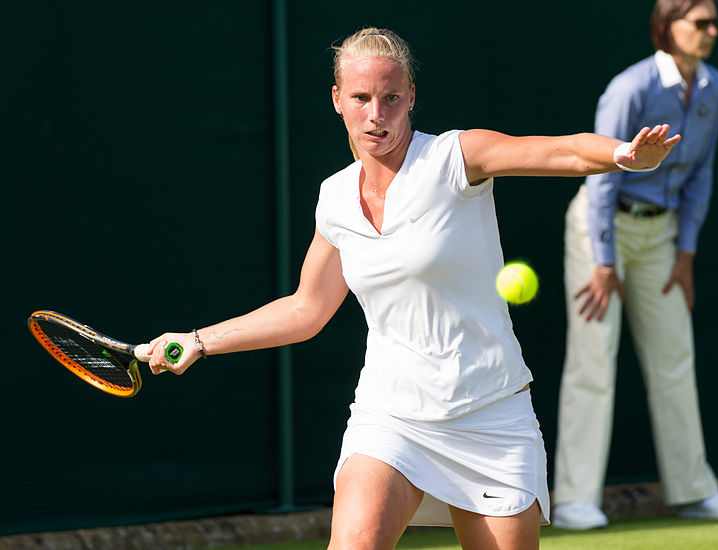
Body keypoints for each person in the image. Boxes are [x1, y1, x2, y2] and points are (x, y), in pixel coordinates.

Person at [146, 27, 679, 550]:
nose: (376, 114)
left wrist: (623, 156)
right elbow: (306, 309)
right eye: (360, 98)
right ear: (337, 100)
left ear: (411, 98)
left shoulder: (455, 158)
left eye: (390, 98)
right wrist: (199, 339)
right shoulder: (333, 199)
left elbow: (557, 151)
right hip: (391, 415)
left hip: (489, 411)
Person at [551, 0, 718, 531]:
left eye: (715, 24)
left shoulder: (714, 87)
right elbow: (601, 174)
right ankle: (573, 499)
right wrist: (604, 261)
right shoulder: (631, 87)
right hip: (601, 231)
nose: (710, 32)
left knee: (674, 356)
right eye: (699, 22)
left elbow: (701, 174)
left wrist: (685, 253)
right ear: (668, 26)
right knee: (593, 359)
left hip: (661, 237)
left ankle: (693, 490)